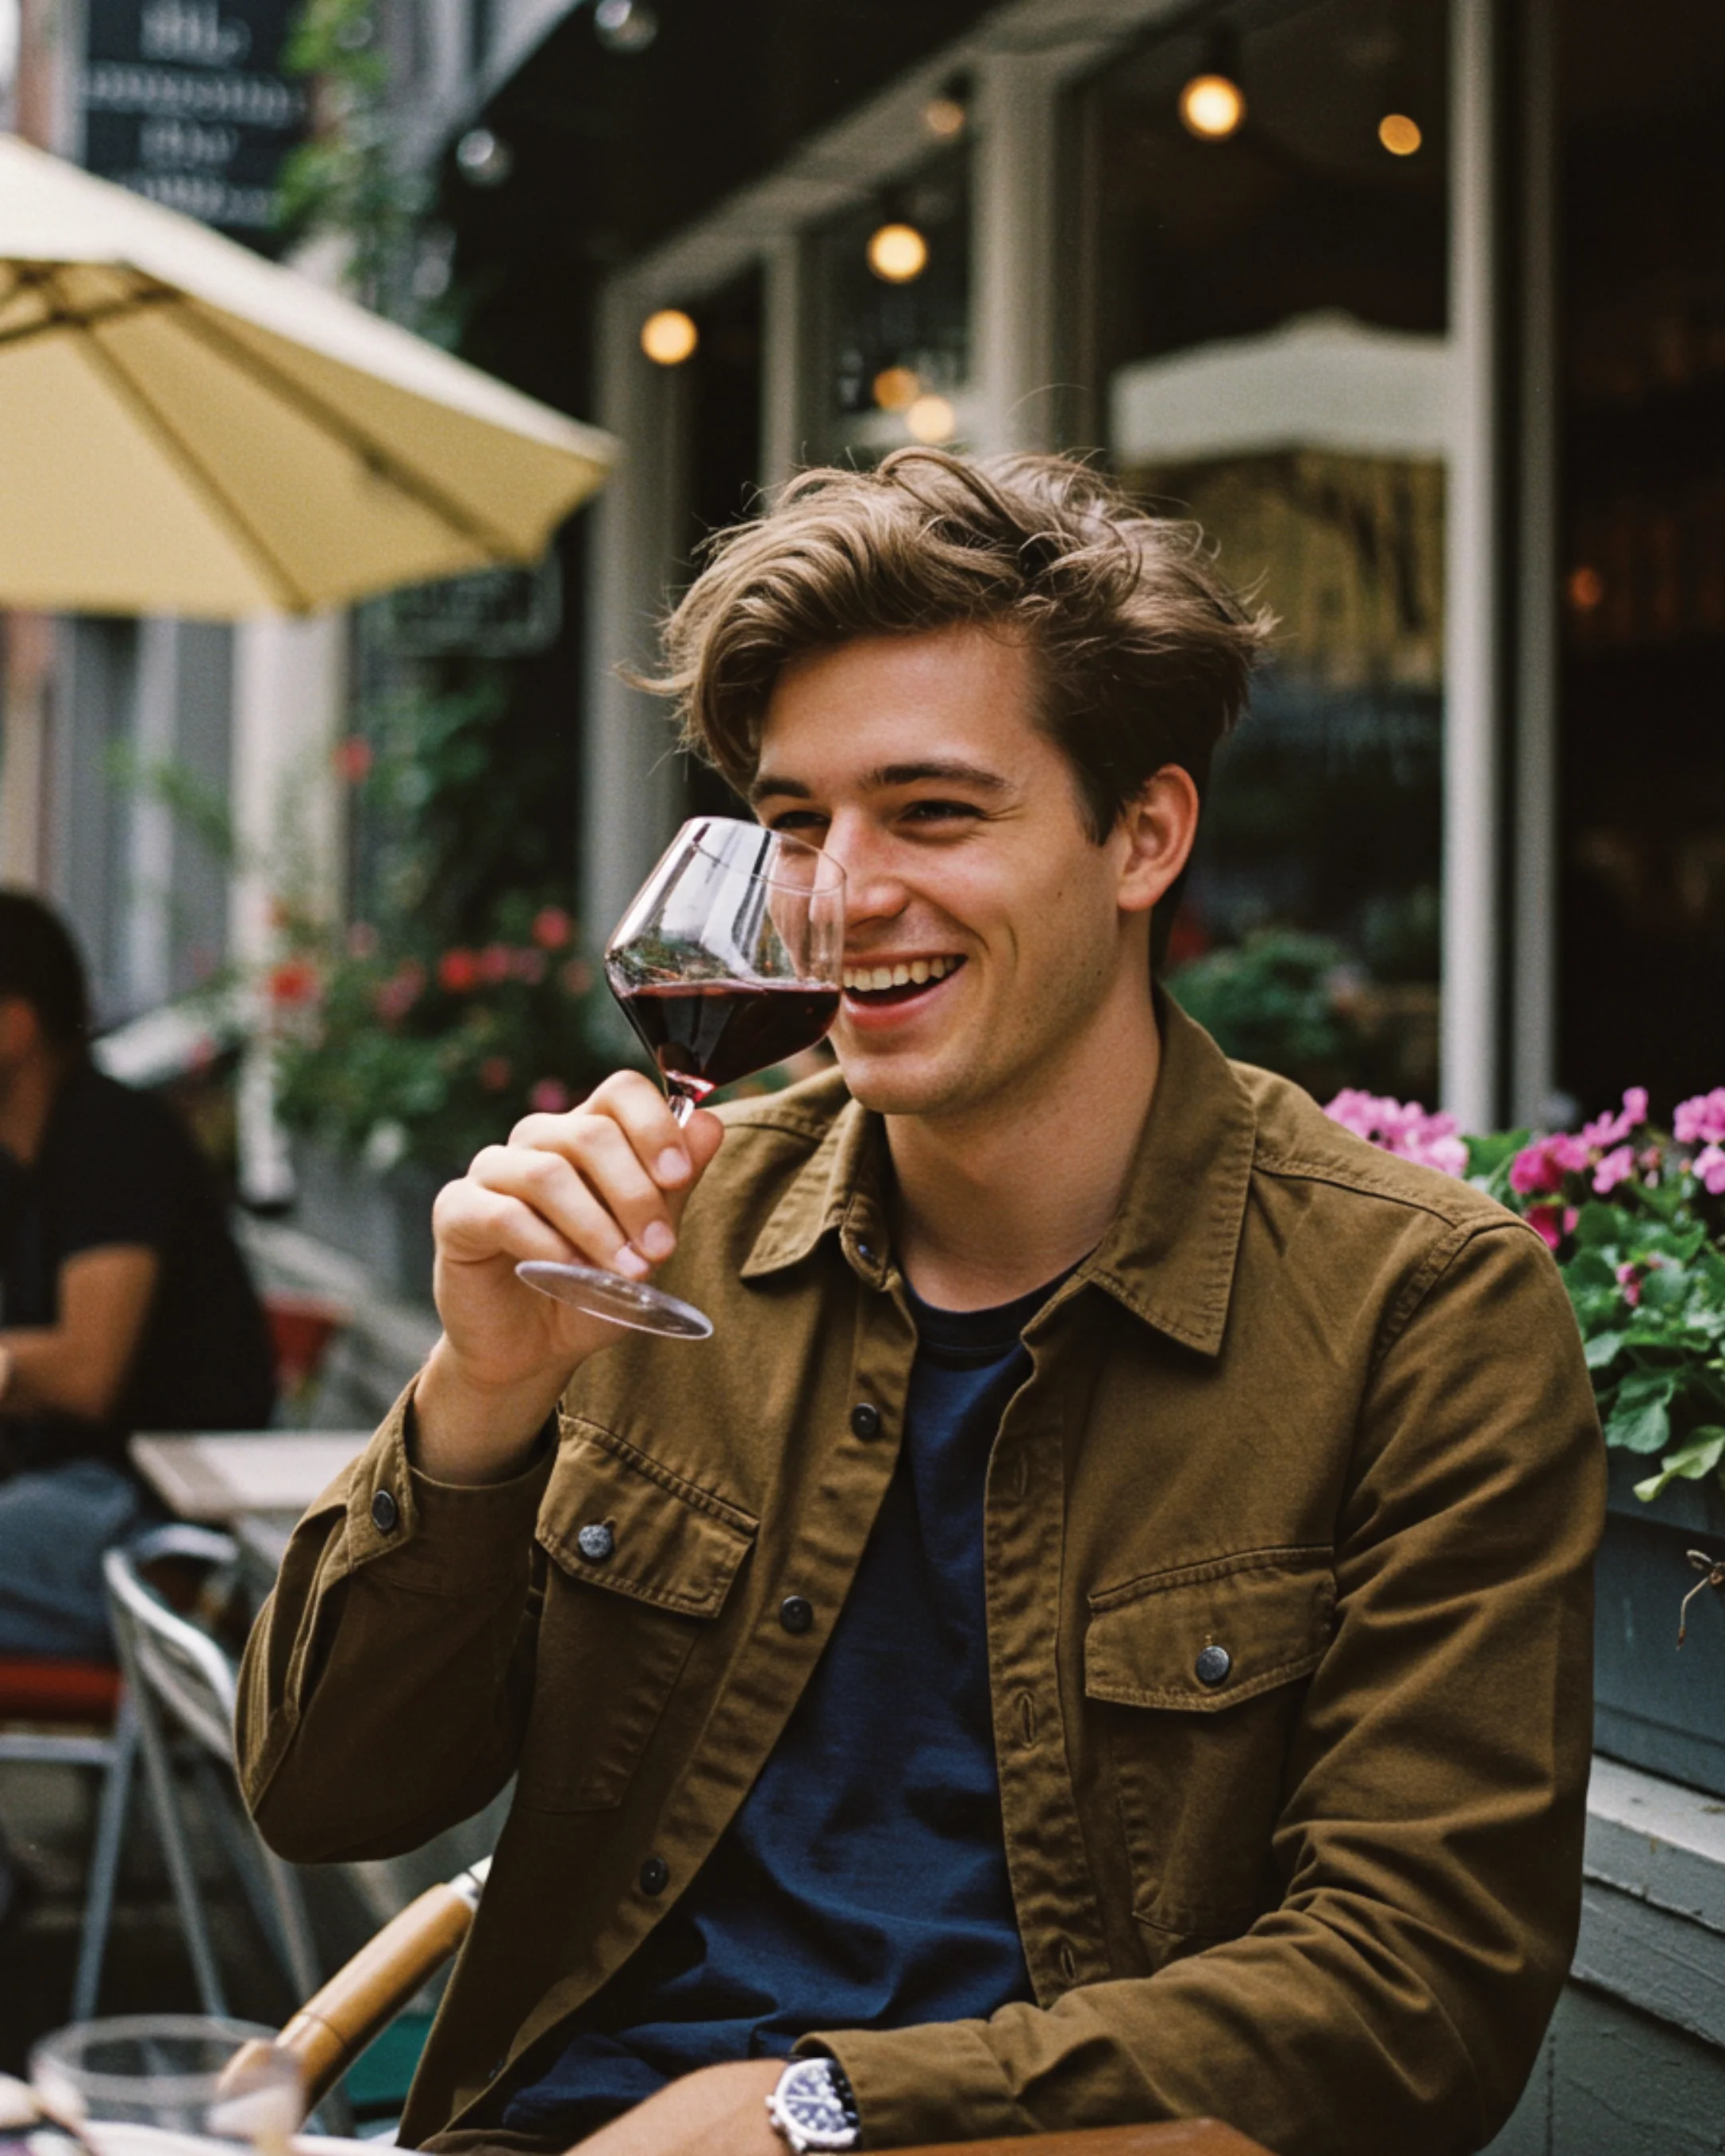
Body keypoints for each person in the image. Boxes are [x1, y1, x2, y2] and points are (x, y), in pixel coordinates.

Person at [237, 454, 1604, 2156]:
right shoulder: (670, 1232)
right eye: (797, 822)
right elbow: (322, 1797)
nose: (840, 895)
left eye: (935, 813)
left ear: (1145, 837)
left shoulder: (1423, 1314)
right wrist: (483, 1394)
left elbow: (1418, 2005)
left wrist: (813, 2117)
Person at [0, 890, 277, 1662]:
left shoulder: (108, 1139)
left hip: (147, 1526)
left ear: (15, 1026)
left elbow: (89, 1370)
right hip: (72, 1497)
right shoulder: (24, 1161)